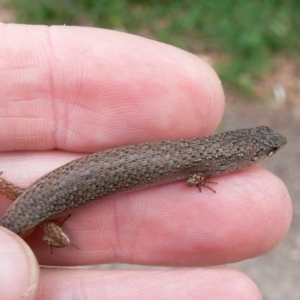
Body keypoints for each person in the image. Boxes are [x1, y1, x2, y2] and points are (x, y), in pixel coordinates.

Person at [0, 24, 291, 299]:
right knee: (62, 241)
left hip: (37, 194)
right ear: (251, 156)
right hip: (38, 214)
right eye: (270, 150)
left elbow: (192, 174)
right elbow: (192, 179)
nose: (273, 151)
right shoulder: (206, 163)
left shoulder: (206, 151)